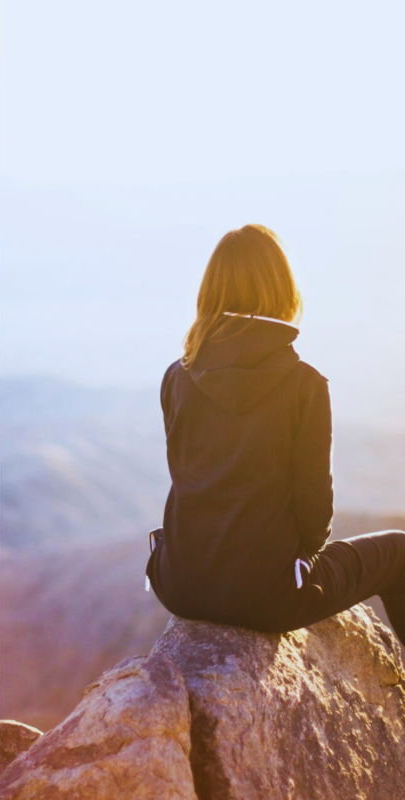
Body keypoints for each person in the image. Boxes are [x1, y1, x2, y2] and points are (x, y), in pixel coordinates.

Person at [147, 223, 404, 635]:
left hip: (177, 585)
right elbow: (315, 516)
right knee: (400, 552)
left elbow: (190, 477)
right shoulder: (305, 385)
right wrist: (294, 563)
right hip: (268, 599)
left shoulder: (175, 378)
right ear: (283, 290)